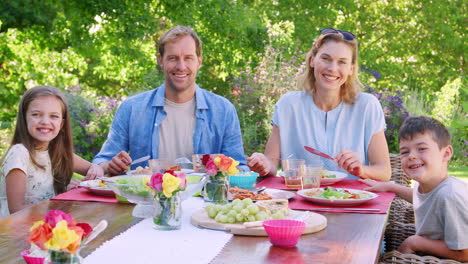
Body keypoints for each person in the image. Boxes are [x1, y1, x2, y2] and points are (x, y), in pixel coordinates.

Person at [93, 26, 247, 175]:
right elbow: (101, 162)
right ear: (161, 60)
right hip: (146, 200)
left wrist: (227, 168)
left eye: (188, 58)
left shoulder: (223, 110)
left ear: (199, 61)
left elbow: (240, 169)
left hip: (204, 199)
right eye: (173, 58)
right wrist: (110, 166)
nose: (181, 66)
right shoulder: (132, 108)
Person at [248, 28, 391, 180]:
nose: (332, 68)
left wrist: (361, 170)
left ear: (351, 69)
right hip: (299, 198)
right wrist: (262, 164)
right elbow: (271, 164)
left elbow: (384, 172)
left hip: (352, 200)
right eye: (325, 58)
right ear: (312, 60)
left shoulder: (367, 105)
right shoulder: (288, 105)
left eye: (342, 62)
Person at [362, 116, 468, 261]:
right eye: (405, 152)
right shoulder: (427, 185)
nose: (411, 156)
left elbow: (464, 253)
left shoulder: (450, 196)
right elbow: (424, 199)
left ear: (446, 153)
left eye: (422, 149)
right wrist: (390, 186)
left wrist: (416, 242)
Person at [0, 85, 104, 217]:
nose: (45, 121)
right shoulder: (19, 153)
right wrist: (60, 200)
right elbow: (17, 210)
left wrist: (95, 172)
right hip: (14, 233)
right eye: (36, 114)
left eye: (53, 116)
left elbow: (94, 169)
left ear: (61, 124)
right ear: (24, 118)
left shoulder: (56, 152)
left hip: (45, 226)